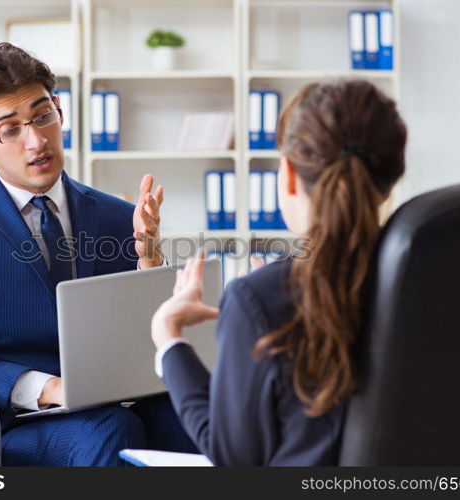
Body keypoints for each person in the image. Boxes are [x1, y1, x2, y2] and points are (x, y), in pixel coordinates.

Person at [0, 42, 195, 466]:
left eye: (42, 116)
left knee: (198, 413)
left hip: (108, 406)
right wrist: (45, 388)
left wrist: (151, 265)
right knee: (111, 428)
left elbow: (149, 343)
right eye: (11, 129)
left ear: (60, 110)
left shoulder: (118, 216)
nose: (36, 140)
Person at [151, 79, 407, 465]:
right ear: (389, 180)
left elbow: (233, 458)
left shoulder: (258, 301)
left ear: (287, 173)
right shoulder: (428, 280)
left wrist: (169, 339)